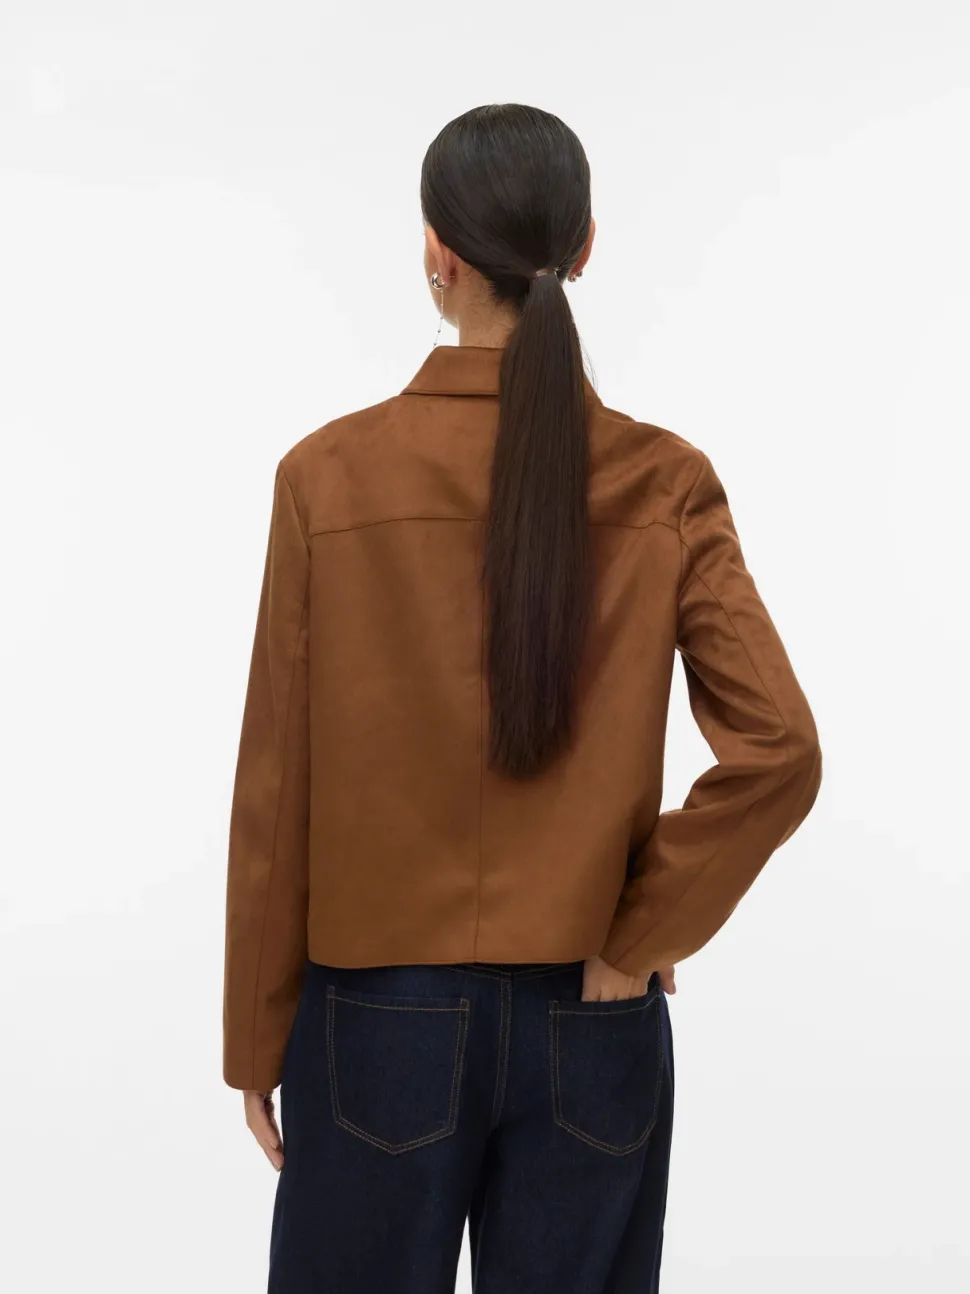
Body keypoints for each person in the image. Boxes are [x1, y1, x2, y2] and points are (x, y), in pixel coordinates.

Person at [221, 102, 822, 1294]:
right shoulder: (664, 482)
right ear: (584, 247)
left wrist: (255, 1034)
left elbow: (276, 788)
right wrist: (641, 931)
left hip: (372, 1023)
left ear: (435, 252)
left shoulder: (326, 478)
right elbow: (781, 749)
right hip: (591, 1019)